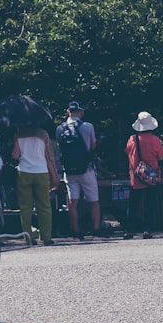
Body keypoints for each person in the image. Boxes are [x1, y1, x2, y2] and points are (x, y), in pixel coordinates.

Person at [55, 101, 101, 239]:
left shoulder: (60, 129)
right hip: (86, 169)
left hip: (69, 171)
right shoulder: (87, 126)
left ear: (68, 112)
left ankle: (76, 232)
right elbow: (92, 146)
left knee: (72, 202)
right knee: (94, 201)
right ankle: (96, 231)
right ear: (81, 112)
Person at [12, 125, 60, 245]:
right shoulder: (43, 134)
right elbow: (48, 156)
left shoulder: (19, 134)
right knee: (44, 206)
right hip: (41, 171)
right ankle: (46, 237)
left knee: (25, 207)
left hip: (24, 172)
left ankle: (28, 237)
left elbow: (15, 155)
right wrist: (54, 175)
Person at [123, 112, 163, 239]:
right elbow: (161, 156)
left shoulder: (132, 139)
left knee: (133, 205)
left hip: (136, 177)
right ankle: (147, 230)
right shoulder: (155, 140)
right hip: (151, 176)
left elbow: (127, 152)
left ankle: (129, 230)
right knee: (150, 204)